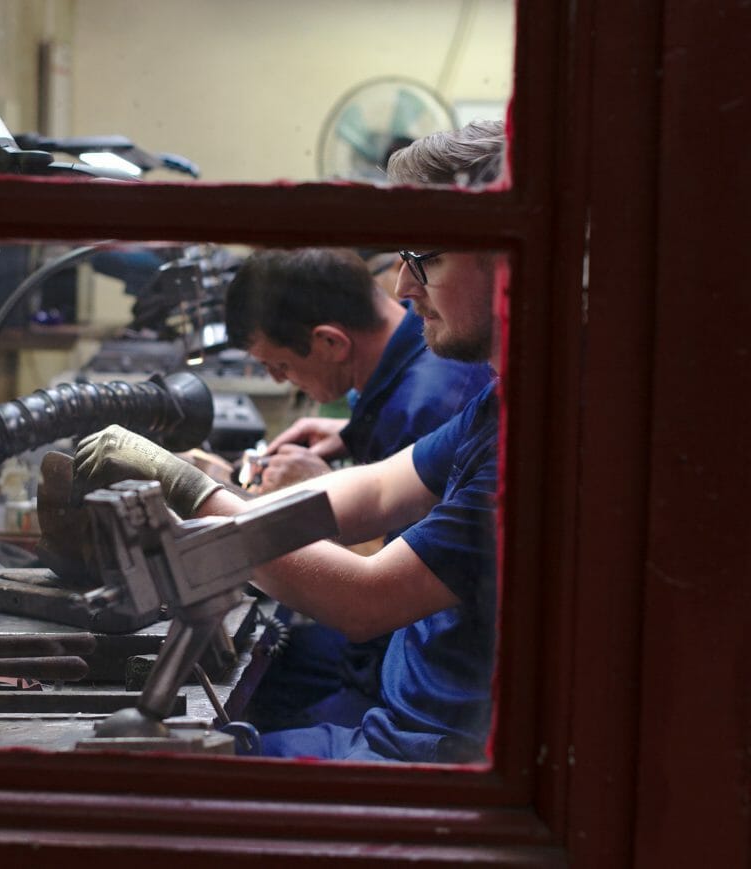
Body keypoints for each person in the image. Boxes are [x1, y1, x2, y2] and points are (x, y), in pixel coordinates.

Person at [70, 119, 508, 763]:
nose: (403, 286)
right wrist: (228, 496)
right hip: (406, 720)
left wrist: (191, 492)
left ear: (507, 261)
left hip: (429, 755)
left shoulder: (541, 441)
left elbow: (365, 599)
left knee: (137, 786)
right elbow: (378, 485)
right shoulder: (501, 402)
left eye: (427, 257)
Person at [222, 246, 491, 730]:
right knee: (275, 667)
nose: (405, 286)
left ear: (330, 342)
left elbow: (375, 592)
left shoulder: (432, 400)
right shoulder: (443, 383)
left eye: (279, 366)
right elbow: (380, 489)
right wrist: (348, 434)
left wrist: (202, 497)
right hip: (406, 664)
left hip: (424, 697)